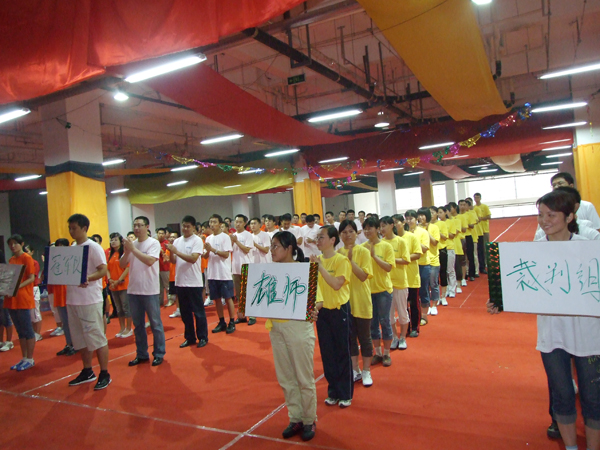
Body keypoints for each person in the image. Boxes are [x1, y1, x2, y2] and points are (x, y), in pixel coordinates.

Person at [487, 189, 600, 450]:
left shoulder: (589, 246)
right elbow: (520, 288)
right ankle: (571, 447)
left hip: (589, 335)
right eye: (540, 215)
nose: (544, 221)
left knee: (593, 398)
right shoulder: (534, 251)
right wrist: (500, 301)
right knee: (562, 395)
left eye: (551, 215)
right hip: (552, 335)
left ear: (569, 217)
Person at [268, 231, 318, 442]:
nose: (272, 250)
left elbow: (317, 299)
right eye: (271, 246)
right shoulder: (268, 272)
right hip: (276, 329)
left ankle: (309, 419)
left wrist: (314, 308)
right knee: (286, 377)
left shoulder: (304, 270)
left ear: (289, 248)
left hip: (298, 328)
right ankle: (295, 417)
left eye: (276, 246)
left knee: (303, 377)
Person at [64, 214, 111, 389]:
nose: (71, 231)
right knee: (79, 339)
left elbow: (103, 270)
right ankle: (87, 370)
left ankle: (104, 373)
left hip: (89, 300)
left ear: (84, 228)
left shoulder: (93, 247)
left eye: (74, 228)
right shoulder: (72, 248)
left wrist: (88, 278)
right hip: (73, 299)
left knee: (96, 338)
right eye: (69, 228)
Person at [311, 225, 353, 408]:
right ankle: (333, 391)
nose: (318, 241)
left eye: (321, 237)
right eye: (317, 237)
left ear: (332, 240)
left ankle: (345, 393)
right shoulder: (316, 260)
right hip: (322, 312)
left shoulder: (341, 260)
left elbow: (336, 284)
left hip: (339, 310)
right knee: (327, 353)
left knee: (342, 352)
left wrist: (320, 268)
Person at [121, 216, 166, 367]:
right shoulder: (132, 244)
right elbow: (122, 264)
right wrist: (127, 251)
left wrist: (133, 249)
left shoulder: (153, 243)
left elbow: (150, 261)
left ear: (147, 227)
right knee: (138, 325)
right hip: (134, 289)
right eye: (135, 225)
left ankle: (159, 353)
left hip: (150, 289)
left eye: (140, 225)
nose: (137, 228)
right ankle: (141, 354)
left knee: (155, 324)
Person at [337, 219, 374, 386]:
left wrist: (350, 261)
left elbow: (363, 276)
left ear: (356, 233)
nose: (348, 235)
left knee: (365, 338)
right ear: (340, 235)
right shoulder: (337, 253)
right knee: (350, 339)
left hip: (362, 300)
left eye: (351, 231)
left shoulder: (364, 251)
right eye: (344, 232)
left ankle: (366, 371)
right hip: (345, 303)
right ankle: (355, 369)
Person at [168, 215, 208, 348]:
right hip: (180, 281)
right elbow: (173, 261)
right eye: (183, 226)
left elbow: (193, 259)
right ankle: (190, 337)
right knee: (185, 313)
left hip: (194, 282)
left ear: (193, 227)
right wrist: (171, 252)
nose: (185, 228)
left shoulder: (197, 240)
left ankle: (202, 337)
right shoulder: (177, 241)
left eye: (188, 226)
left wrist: (176, 252)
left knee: (198, 312)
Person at [362, 217, 395, 366]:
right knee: (372, 324)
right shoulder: (362, 247)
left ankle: (387, 353)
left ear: (377, 229)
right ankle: (378, 353)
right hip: (368, 291)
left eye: (370, 228)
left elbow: (388, 267)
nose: (367, 231)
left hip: (383, 290)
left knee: (385, 321)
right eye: (365, 229)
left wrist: (374, 256)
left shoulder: (386, 246)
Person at [4, 234, 36, 371]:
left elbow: (31, 278)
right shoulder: (11, 259)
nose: (12, 246)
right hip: (11, 298)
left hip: (22, 297)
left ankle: (30, 358)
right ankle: (24, 357)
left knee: (27, 329)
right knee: (20, 330)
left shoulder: (27, 258)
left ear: (22, 244)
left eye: (15, 243)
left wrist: (17, 287)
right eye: (10, 244)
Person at [380, 216, 410, 350]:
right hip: (386, 284)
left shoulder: (400, 241)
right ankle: (394, 337)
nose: (382, 229)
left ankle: (402, 337)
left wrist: (391, 259)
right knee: (388, 314)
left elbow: (406, 260)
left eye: (384, 226)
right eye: (380, 226)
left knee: (402, 312)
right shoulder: (381, 243)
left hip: (400, 282)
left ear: (392, 225)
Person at [203, 214, 236, 334]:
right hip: (212, 273)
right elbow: (205, 256)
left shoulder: (225, 237)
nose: (212, 224)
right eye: (210, 222)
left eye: (214, 222)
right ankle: (221, 321)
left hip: (223, 273)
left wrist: (213, 250)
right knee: (216, 299)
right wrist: (207, 251)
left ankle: (232, 321)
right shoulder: (208, 238)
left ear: (220, 224)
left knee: (228, 298)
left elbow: (226, 254)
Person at [393, 214, 422, 338]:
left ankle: (415, 327)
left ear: (403, 222)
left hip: (411, 276)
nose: (395, 225)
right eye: (393, 223)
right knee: (402, 306)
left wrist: (403, 259)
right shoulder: (391, 240)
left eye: (397, 222)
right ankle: (406, 328)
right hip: (398, 278)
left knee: (413, 303)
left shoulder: (411, 237)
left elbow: (418, 254)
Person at [51, 238, 76, 356]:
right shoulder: (54, 260)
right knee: (64, 322)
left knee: (72, 322)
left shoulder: (71, 259)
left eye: (62, 246)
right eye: (58, 246)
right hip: (59, 294)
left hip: (69, 294)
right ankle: (69, 343)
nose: (59, 248)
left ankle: (75, 344)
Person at [230, 214, 255, 325]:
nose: (237, 224)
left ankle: (253, 315)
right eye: (236, 222)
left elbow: (246, 249)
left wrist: (236, 241)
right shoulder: (232, 236)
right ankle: (242, 315)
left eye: (240, 222)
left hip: (246, 266)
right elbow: (229, 250)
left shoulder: (248, 235)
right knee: (239, 294)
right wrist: (232, 241)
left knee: (248, 292)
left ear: (245, 223)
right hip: (235, 267)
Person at [407, 210, 431, 326]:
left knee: (423, 290)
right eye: (407, 218)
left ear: (416, 219)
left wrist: (413, 238)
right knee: (411, 292)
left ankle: (424, 316)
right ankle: (412, 315)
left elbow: (425, 248)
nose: (409, 221)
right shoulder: (405, 233)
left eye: (411, 218)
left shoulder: (423, 232)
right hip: (410, 265)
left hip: (423, 264)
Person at [107, 233, 132, 338]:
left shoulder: (124, 253)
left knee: (126, 307)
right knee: (118, 308)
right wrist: (110, 279)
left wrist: (118, 280)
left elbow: (127, 268)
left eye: (115, 240)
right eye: (111, 240)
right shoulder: (109, 254)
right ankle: (122, 328)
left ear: (121, 242)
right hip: (113, 285)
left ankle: (129, 328)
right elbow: (107, 268)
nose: (113, 242)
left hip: (123, 284)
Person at [418, 207, 441, 317]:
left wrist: (426, 231)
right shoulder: (416, 228)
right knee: (423, 286)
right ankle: (425, 306)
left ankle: (434, 305)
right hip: (421, 261)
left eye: (423, 215)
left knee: (433, 283)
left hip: (433, 259)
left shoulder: (434, 227)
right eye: (419, 215)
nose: (420, 217)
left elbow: (435, 242)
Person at [23, 245, 42, 341]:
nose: (26, 253)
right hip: (25, 289)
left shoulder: (34, 263)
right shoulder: (22, 263)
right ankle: (32, 332)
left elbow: (32, 277)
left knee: (35, 312)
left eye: (27, 251)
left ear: (32, 252)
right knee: (29, 313)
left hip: (33, 288)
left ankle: (37, 333)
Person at [440, 206, 457, 301]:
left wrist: (443, 232)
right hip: (441, 249)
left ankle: (452, 289)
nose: (439, 215)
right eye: (438, 213)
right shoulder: (437, 224)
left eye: (441, 212)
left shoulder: (450, 222)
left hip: (449, 247)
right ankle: (445, 290)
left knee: (450, 270)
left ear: (445, 213)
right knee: (443, 271)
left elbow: (452, 235)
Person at [433, 206, 449, 303]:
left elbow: (445, 237)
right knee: (434, 276)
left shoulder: (442, 224)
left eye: (433, 213)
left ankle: (443, 296)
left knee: (443, 273)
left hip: (441, 249)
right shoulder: (427, 226)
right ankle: (436, 296)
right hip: (432, 252)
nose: (431, 215)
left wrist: (436, 232)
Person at [473, 193, 491, 274]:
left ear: (480, 198)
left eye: (478, 197)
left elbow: (489, 216)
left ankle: (486, 262)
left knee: (485, 247)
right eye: (475, 198)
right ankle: (481, 263)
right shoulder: (474, 208)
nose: (476, 199)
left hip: (484, 229)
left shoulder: (484, 206)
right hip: (477, 231)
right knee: (479, 249)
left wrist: (481, 218)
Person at [156, 228, 171, 307]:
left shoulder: (167, 243)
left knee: (167, 286)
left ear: (165, 234)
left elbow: (168, 255)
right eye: (159, 233)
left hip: (165, 267)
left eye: (162, 233)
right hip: (157, 268)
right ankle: (160, 301)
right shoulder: (155, 243)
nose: (160, 235)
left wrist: (161, 251)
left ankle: (170, 300)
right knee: (159, 286)